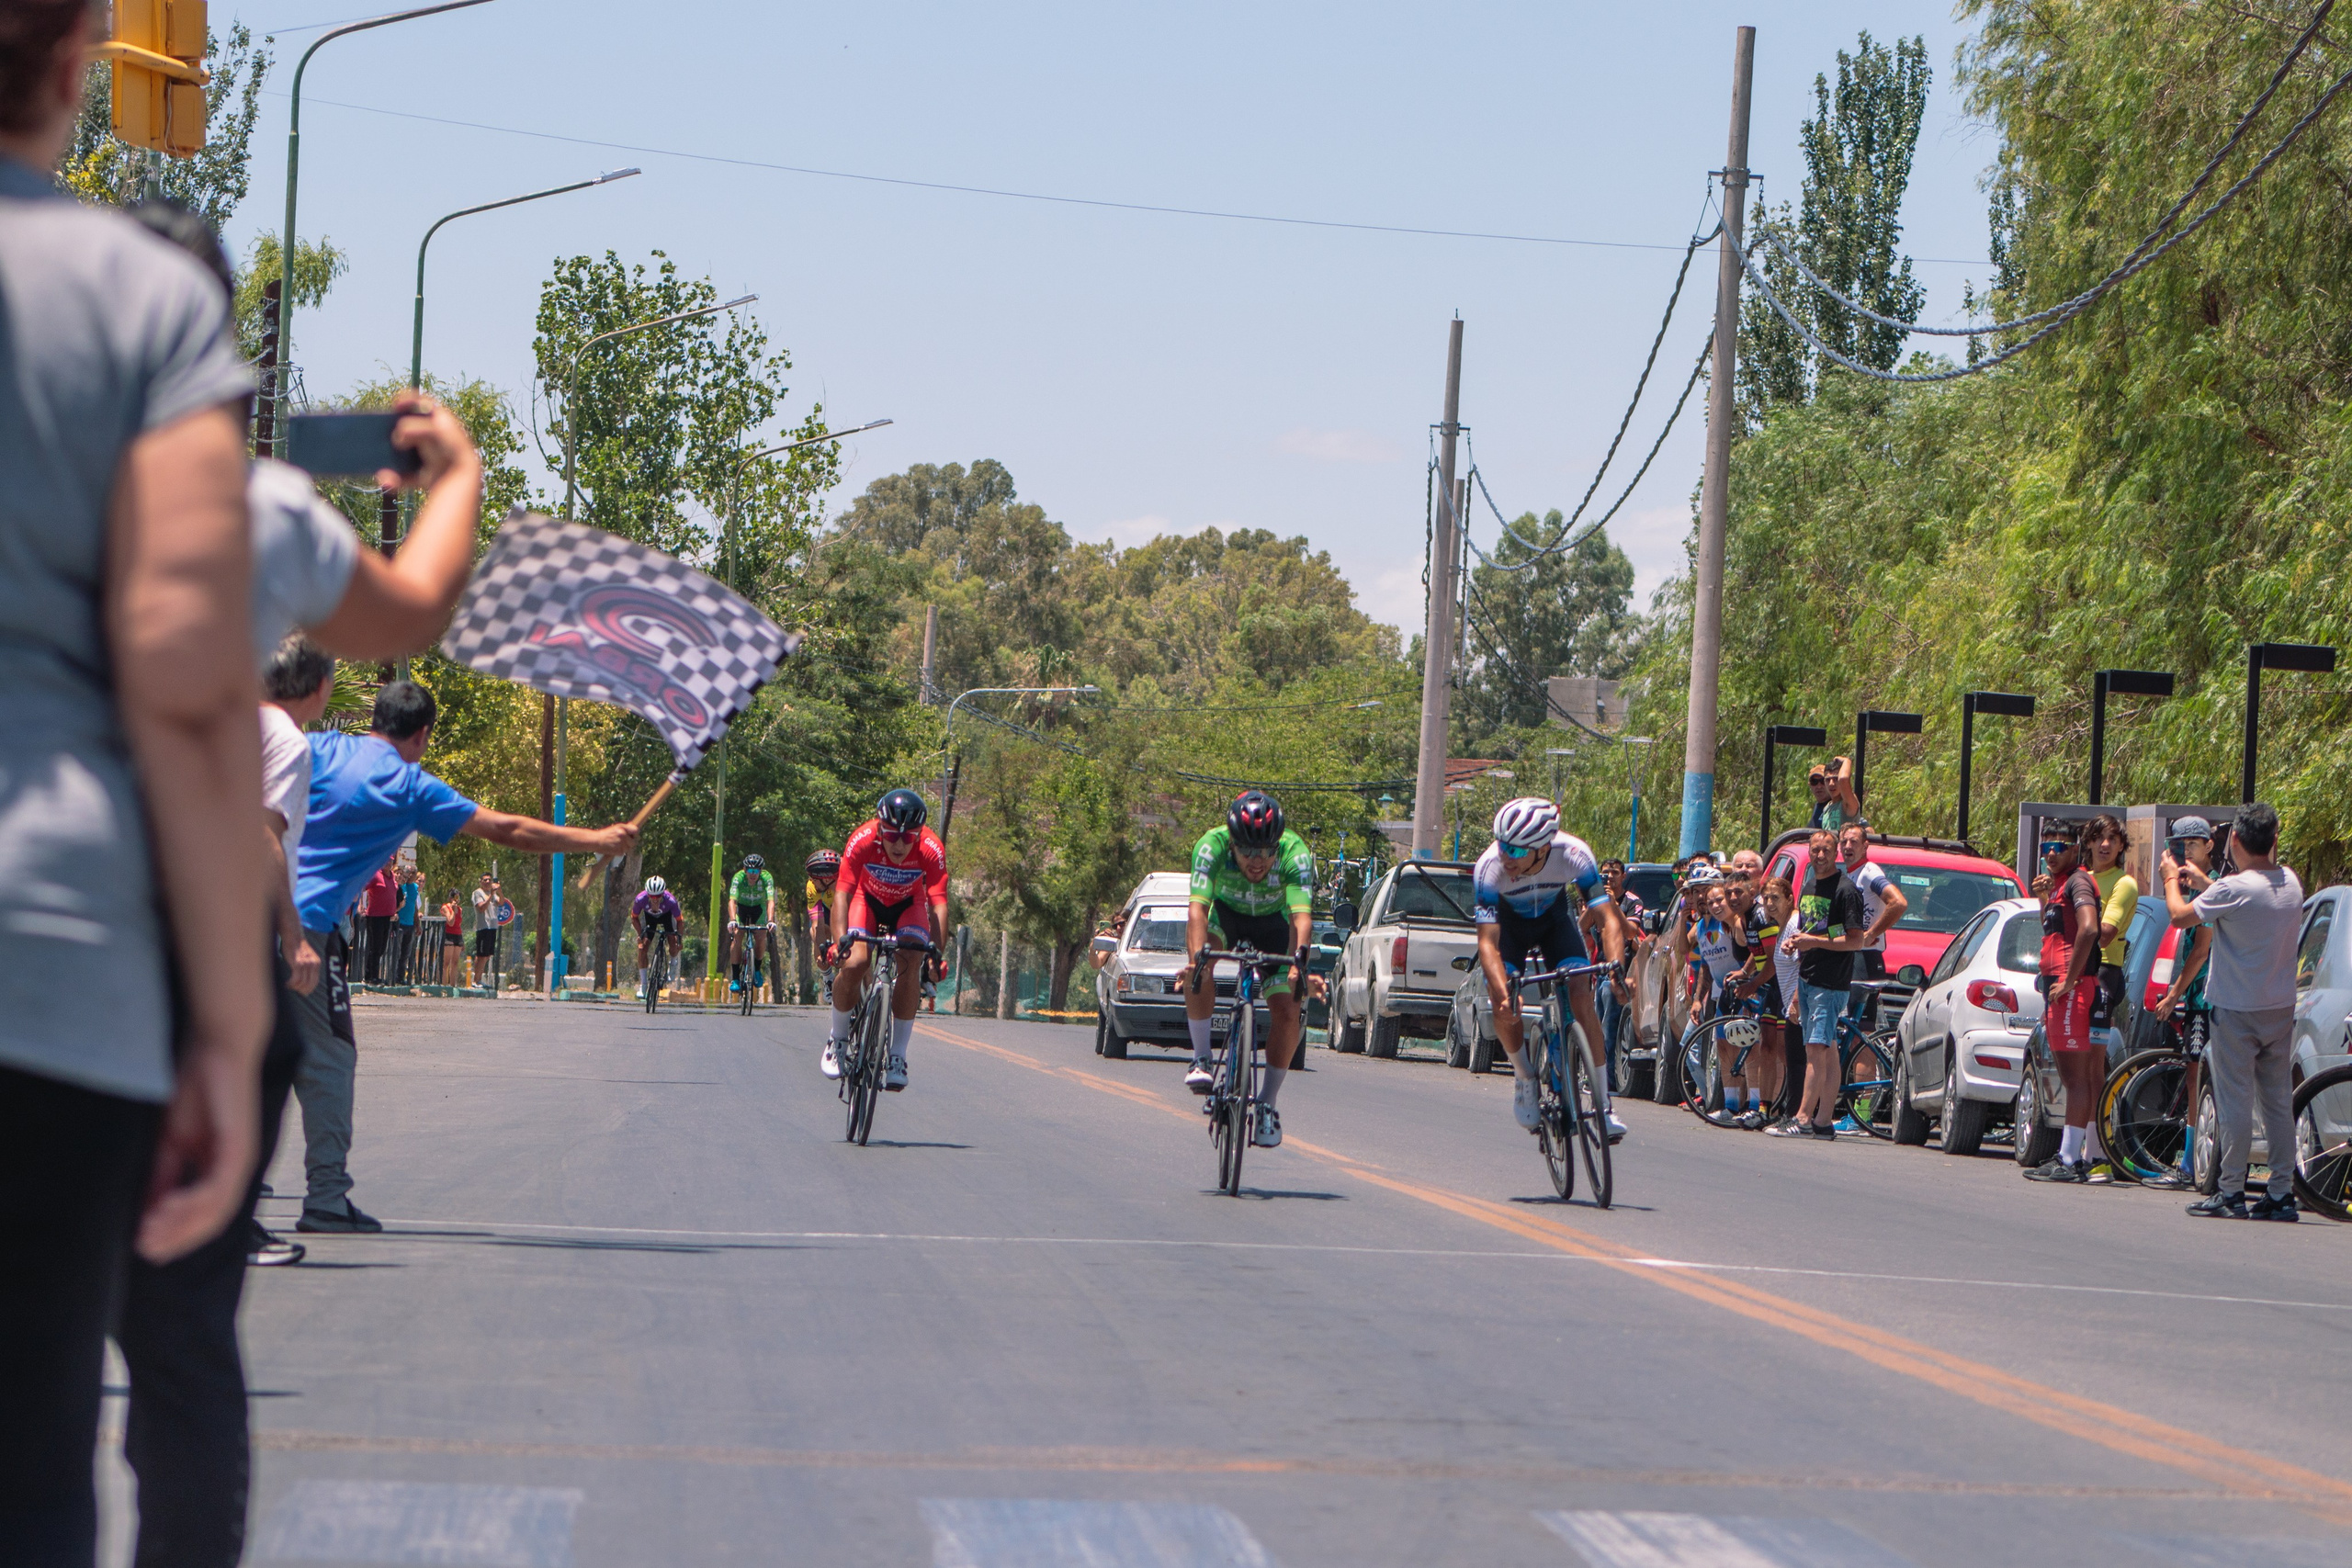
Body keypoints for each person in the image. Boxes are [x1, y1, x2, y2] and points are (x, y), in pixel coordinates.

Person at [0, 11, 270, 1559]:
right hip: (53, 973)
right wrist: (224, 1031)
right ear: (71, 66)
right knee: (33, 1467)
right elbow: (185, 674)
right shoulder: (142, 301)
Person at [289, 682, 636, 1232]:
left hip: (241, 911)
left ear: (375, 718)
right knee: (331, 1059)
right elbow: (510, 830)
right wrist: (594, 838)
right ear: (423, 735)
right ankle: (326, 1197)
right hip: (308, 929)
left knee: (247, 1058)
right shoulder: (409, 786)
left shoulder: (323, 749)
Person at [2165, 801, 2302, 1220]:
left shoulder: (2234, 889)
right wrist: (2207, 881)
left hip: (2235, 1009)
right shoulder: (2291, 883)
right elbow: (2237, 898)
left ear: (2235, 840)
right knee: (2278, 1102)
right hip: (2278, 1008)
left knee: (2235, 1101)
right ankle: (2280, 1192)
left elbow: (2178, 917)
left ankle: (2230, 1191)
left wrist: (2173, 878)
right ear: (2274, 840)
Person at [1472, 797, 1630, 1143]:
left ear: (1543, 848)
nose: (1504, 855)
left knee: (1581, 996)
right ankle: (1525, 1076)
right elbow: (1487, 944)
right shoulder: (1489, 869)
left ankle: (1603, 1105)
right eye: (1501, 844)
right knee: (1502, 1005)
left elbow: (1607, 919)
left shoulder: (1573, 853)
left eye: (1515, 850)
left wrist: (1616, 967)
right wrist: (1502, 993)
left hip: (1555, 921)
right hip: (1511, 928)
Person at [1179, 790, 1324, 1148]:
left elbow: (1301, 919)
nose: (1257, 861)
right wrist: (1198, 960)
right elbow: (1197, 911)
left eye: (1266, 852)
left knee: (1290, 1009)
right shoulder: (1210, 847)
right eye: (1246, 851)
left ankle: (1267, 1105)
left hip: (1274, 926)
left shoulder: (1296, 853)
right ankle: (1201, 1059)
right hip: (1225, 919)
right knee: (1200, 967)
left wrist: (1299, 965)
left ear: (1277, 845)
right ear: (1232, 844)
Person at [825, 790, 951, 1089]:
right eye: (892, 835)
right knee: (855, 963)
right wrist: (840, 941)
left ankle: (897, 1055)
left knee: (912, 962)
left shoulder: (932, 848)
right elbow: (842, 893)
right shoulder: (863, 839)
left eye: (908, 839)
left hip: (908, 907)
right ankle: (838, 1039)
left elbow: (939, 905)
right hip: (865, 902)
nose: (898, 843)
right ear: (880, 828)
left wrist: (936, 956)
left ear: (919, 835)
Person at [1771, 830, 1871, 1140]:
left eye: (1827, 849)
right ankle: (1823, 1122)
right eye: (1815, 850)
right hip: (1808, 979)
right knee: (1824, 1052)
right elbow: (1814, 930)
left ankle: (1802, 1118)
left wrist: (1812, 941)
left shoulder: (1846, 891)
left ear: (1836, 852)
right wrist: (1795, 945)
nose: (1820, 855)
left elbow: (1855, 940)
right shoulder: (1810, 885)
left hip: (1831, 983)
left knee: (1816, 1049)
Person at [2023, 822, 2105, 1183]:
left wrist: (2071, 979)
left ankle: (2071, 1158)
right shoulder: (2059, 886)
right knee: (2071, 1075)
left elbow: (2089, 929)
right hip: (2056, 986)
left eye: (2059, 846)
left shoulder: (2079, 882)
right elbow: (2055, 930)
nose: (2051, 853)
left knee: (2076, 1078)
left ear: (2075, 849)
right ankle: (2069, 1153)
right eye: (2045, 848)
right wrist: (2044, 899)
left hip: (2071, 988)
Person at [2085, 812, 2138, 1046]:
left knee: (2093, 1057)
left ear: (2121, 846)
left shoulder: (2124, 883)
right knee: (2072, 1053)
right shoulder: (2080, 879)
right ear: (2088, 842)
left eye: (2112, 839)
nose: (2104, 844)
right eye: (2098, 837)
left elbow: (2105, 935)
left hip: (2104, 971)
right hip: (2076, 968)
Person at [1836, 822, 1910, 980]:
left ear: (1865, 846)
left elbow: (1898, 903)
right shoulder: (1851, 874)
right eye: (1844, 842)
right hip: (1852, 955)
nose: (1848, 846)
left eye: (1854, 841)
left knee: (1860, 1005)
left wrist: (1871, 934)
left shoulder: (1869, 873)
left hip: (1867, 958)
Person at [727, 852, 778, 997]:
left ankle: (756, 969)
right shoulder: (738, 878)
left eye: (756, 871)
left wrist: (770, 921)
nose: (753, 874)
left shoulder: (767, 879)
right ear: (744, 870)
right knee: (737, 936)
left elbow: (770, 901)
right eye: (750, 871)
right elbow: (732, 901)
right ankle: (736, 979)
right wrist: (732, 920)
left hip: (759, 909)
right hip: (742, 908)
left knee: (761, 935)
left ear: (761, 871)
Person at [631, 875, 683, 998]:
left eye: (658, 896)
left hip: (667, 917)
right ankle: (643, 986)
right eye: (652, 896)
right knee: (642, 948)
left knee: (673, 941)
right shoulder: (640, 899)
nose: (655, 899)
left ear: (663, 894)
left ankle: (673, 963)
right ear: (647, 894)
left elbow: (680, 921)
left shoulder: (671, 901)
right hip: (649, 919)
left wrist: (679, 938)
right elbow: (634, 918)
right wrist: (640, 934)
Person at [357, 860, 398, 984]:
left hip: (387, 917)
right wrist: (360, 905)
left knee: (382, 948)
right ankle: (372, 976)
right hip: (375, 916)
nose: (388, 864)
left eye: (391, 861)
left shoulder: (393, 876)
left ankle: (371, 974)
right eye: (386, 861)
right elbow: (361, 888)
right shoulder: (375, 875)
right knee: (376, 947)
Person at [807, 848, 842, 982]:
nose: (811, 881)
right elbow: (818, 925)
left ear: (826, 879)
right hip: (826, 908)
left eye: (813, 878)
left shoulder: (845, 882)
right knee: (818, 933)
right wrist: (823, 953)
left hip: (844, 905)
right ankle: (828, 979)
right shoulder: (812, 887)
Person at [470, 874, 506, 989]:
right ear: (480, 881)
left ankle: (480, 980)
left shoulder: (493, 895)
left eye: (489, 880)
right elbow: (481, 908)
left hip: (492, 927)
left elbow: (501, 902)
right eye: (485, 880)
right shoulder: (478, 893)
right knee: (481, 955)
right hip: (483, 927)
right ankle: (475, 980)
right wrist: (491, 894)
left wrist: (499, 891)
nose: (487, 882)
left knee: (486, 956)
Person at [1806, 757, 1860, 832]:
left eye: (1836, 779)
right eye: (1827, 780)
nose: (1831, 784)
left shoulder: (1847, 804)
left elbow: (1844, 779)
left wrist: (1847, 761)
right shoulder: (1826, 808)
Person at [440, 890, 468, 987]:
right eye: (455, 897)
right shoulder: (445, 907)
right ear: (450, 898)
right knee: (446, 962)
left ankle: (452, 985)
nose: (457, 900)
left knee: (455, 962)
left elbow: (459, 924)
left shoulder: (460, 909)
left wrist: (462, 940)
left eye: (458, 898)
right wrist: (453, 911)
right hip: (448, 934)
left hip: (457, 934)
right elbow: (450, 922)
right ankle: (443, 985)